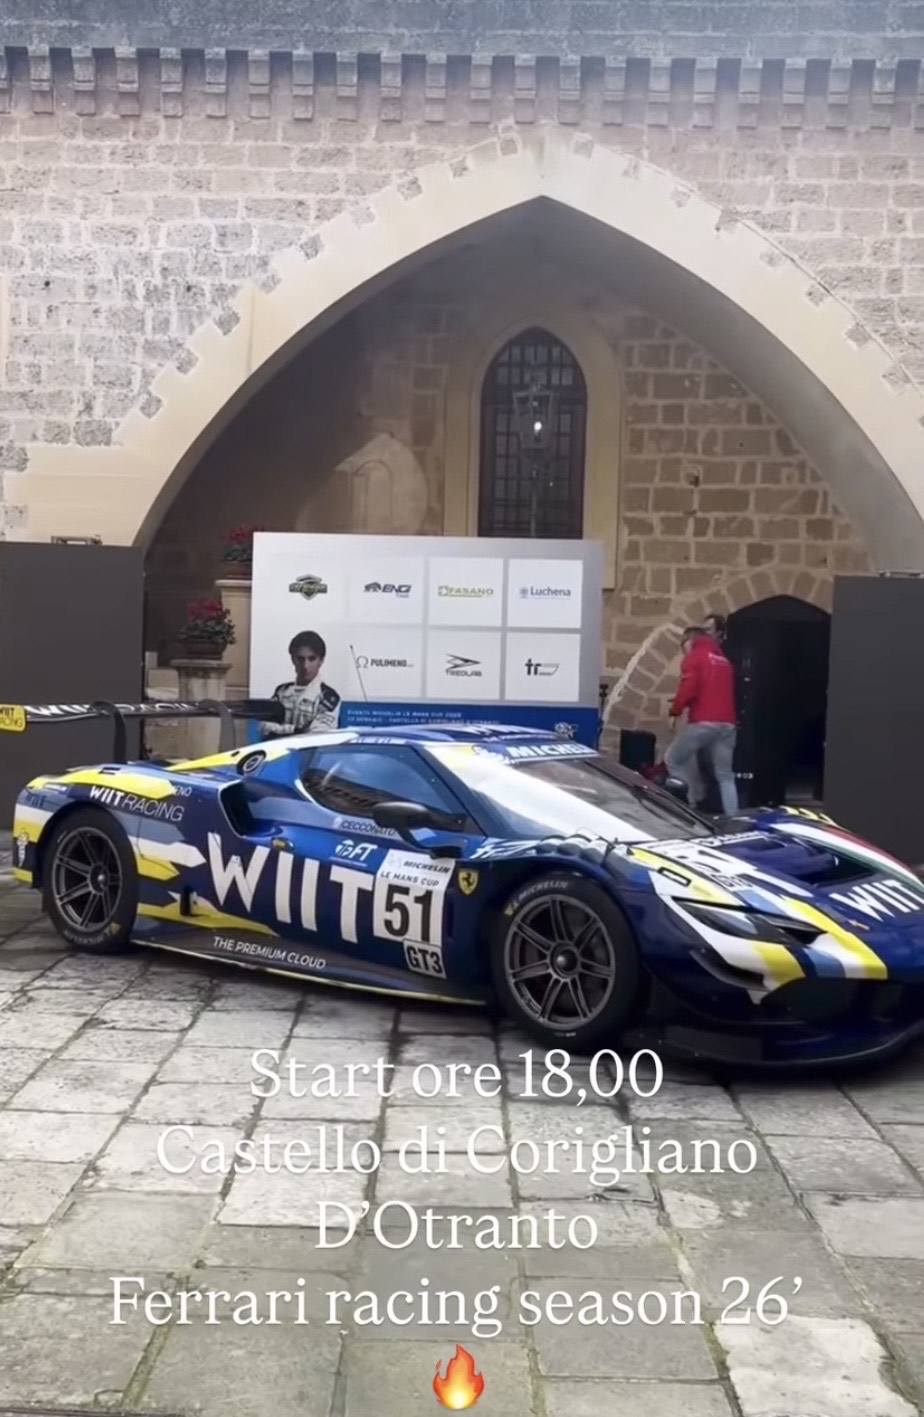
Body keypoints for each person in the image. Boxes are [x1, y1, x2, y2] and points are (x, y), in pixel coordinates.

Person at [665, 626, 739, 816]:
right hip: (728, 723)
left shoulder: (695, 657)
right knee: (725, 775)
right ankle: (733, 817)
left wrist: (675, 711)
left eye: (682, 645)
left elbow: (689, 687)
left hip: (704, 721)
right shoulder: (724, 661)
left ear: (689, 640)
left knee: (673, 759)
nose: (683, 651)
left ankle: (686, 808)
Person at [259, 630, 341, 738]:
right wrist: (295, 730)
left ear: (321, 661)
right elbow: (263, 726)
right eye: (300, 659)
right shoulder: (281, 691)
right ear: (293, 659)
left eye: (312, 659)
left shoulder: (329, 697)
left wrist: (280, 729)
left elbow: (317, 735)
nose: (305, 665)